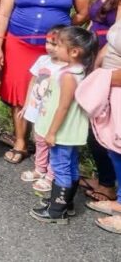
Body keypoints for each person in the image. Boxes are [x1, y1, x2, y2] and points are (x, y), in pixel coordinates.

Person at [0, 0, 89, 165]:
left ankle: (46, 139)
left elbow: (83, 13)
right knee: (20, 92)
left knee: (51, 92)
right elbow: (4, 14)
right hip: (18, 44)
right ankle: (20, 141)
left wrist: (62, 33)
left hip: (56, 50)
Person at [30, 27, 97, 224]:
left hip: (62, 131)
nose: (55, 48)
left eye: (59, 45)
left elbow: (63, 107)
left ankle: (57, 210)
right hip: (70, 131)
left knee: (61, 168)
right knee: (70, 165)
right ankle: (66, 203)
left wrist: (52, 132)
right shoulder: (78, 70)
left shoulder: (68, 75)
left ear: (74, 51)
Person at [75, 22, 121, 232]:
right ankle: (119, 201)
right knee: (114, 147)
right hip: (112, 88)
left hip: (114, 82)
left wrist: (104, 78)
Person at [20, 25, 65, 192]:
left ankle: (51, 175)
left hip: (53, 112)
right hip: (37, 108)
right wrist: (26, 104)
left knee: (53, 142)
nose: (49, 47)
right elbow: (33, 81)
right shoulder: (42, 60)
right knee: (39, 139)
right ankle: (40, 169)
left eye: (55, 44)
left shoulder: (67, 68)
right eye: (48, 42)